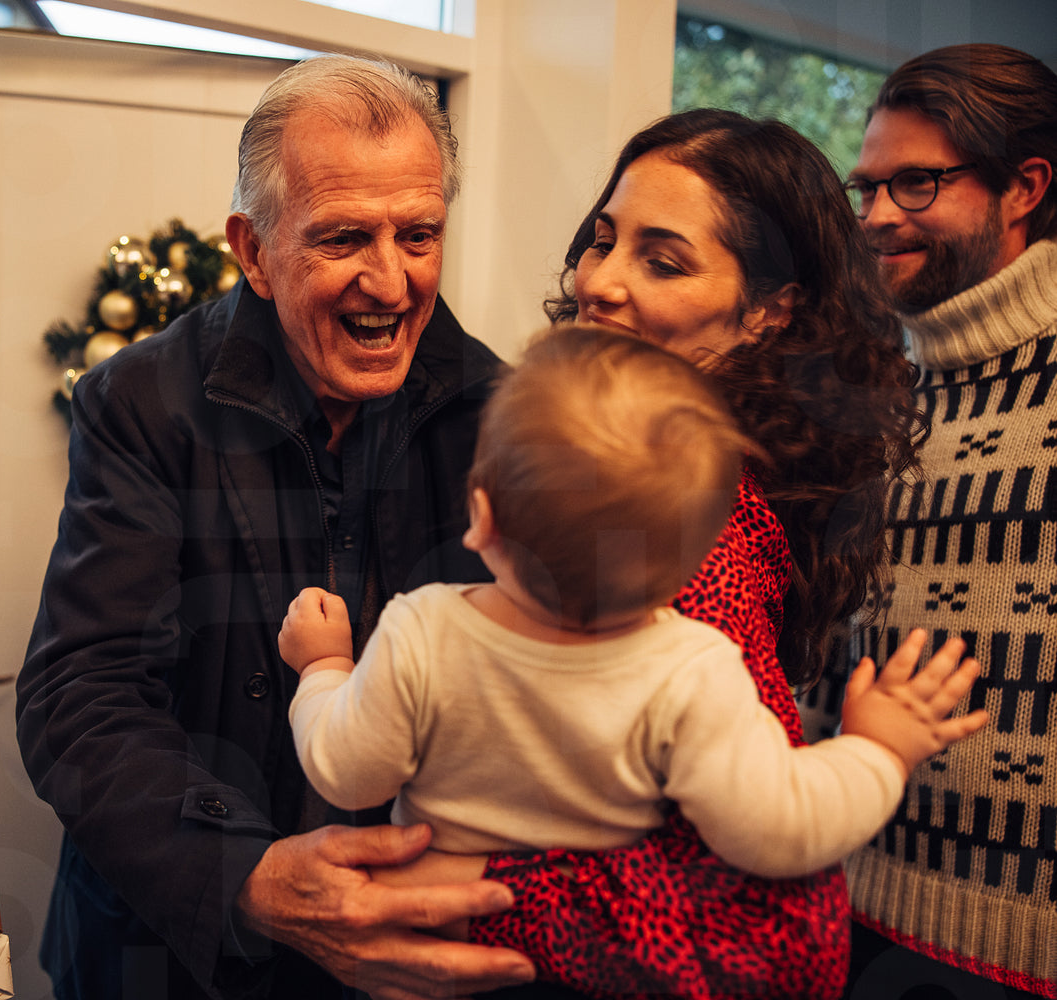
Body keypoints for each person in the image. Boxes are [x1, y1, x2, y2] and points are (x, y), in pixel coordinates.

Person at [16, 54, 538, 1000]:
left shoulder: (499, 413)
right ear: (253, 251)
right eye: (344, 238)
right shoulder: (140, 400)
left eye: (419, 235)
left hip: (407, 952)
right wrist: (242, 877)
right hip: (169, 960)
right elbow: (80, 693)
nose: (391, 282)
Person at [375, 108, 924, 1000]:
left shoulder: (696, 540)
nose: (600, 282)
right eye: (603, 242)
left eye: (663, 261)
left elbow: (769, 929)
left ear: (769, 311)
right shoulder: (630, 485)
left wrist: (471, 886)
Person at [280, 324, 984, 892]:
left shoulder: (423, 630)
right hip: (584, 964)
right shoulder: (694, 667)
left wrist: (324, 667)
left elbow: (346, 772)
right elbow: (780, 831)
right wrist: (878, 751)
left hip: (432, 947)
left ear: (482, 517)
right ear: (695, 557)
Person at [802, 43, 1057, 999]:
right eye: (866, 188)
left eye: (916, 184)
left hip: (1026, 949)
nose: (876, 217)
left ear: (1025, 187)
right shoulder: (873, 389)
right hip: (854, 909)